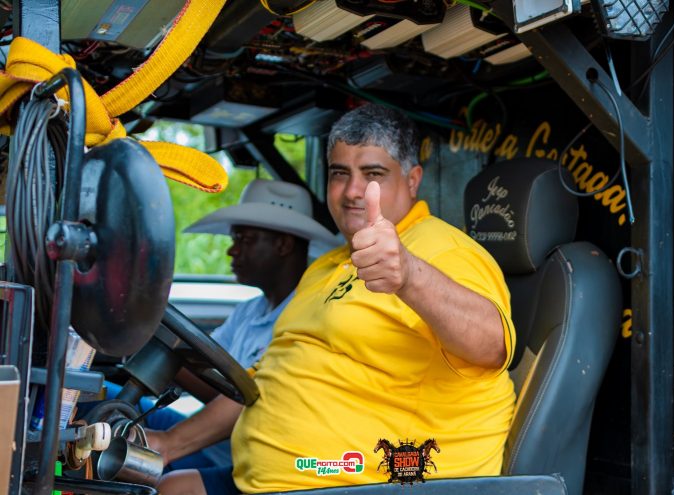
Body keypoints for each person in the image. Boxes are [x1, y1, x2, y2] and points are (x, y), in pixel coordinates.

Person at [158, 104, 516, 495]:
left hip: (371, 481)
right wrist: (167, 445)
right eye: (339, 174)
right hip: (283, 479)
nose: (352, 192)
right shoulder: (327, 266)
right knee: (174, 487)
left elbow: (492, 346)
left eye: (373, 174)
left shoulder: (443, 250)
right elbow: (265, 379)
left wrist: (409, 275)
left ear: (413, 179)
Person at [142, 179, 338, 470]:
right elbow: (207, 363)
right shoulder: (250, 311)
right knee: (109, 402)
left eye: (244, 240)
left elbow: (247, 400)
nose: (231, 251)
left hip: (236, 460)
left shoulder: (306, 316)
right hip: (215, 446)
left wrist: (168, 354)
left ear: (283, 245)